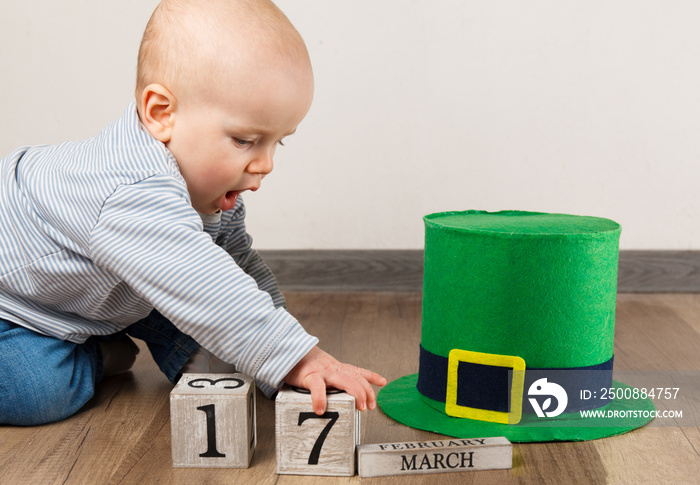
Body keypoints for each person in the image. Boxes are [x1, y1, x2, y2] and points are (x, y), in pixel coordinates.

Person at [0, 0, 385, 426]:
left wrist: (290, 349)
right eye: (245, 140)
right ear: (161, 114)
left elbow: (233, 271)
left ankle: (110, 332)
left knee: (231, 354)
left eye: (279, 142)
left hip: (104, 291)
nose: (265, 164)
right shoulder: (129, 190)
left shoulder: (210, 189)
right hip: (17, 308)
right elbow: (204, 285)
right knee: (36, 390)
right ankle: (90, 352)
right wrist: (295, 357)